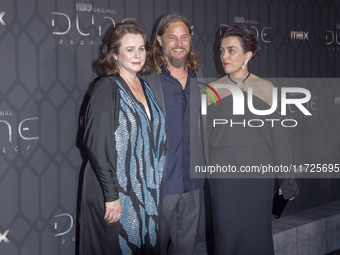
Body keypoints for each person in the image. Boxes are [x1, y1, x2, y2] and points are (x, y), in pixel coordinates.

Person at [206, 25, 298, 254]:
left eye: (231, 50)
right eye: (222, 51)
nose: (224, 56)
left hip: (258, 176)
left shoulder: (266, 88)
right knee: (225, 237)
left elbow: (278, 139)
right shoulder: (211, 90)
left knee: (257, 237)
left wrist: (288, 182)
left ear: (248, 55)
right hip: (223, 178)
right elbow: (204, 140)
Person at [78, 22, 167, 255]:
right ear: (114, 55)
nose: (137, 55)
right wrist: (111, 196)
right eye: (129, 49)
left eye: (141, 48)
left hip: (145, 191)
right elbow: (97, 146)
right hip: (115, 193)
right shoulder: (107, 88)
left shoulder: (145, 87)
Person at [142, 13, 206, 255]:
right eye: (172, 37)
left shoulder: (202, 76)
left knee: (186, 250)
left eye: (184, 37)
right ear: (159, 40)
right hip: (160, 185)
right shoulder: (147, 80)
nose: (179, 43)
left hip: (193, 183)